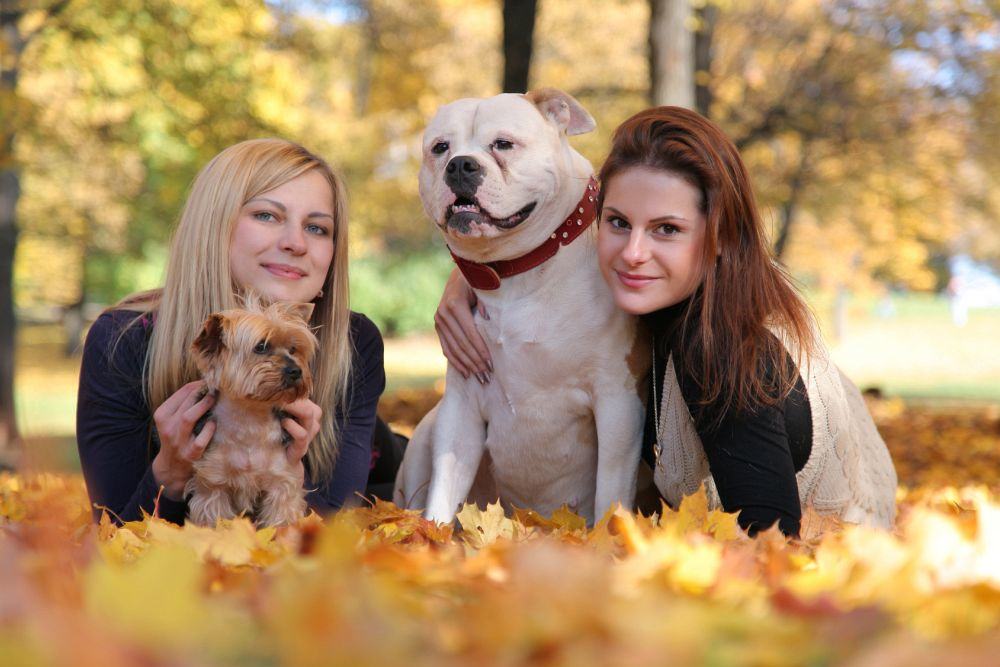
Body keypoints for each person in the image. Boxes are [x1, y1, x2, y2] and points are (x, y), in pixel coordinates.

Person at [434, 107, 897, 537]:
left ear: (718, 236)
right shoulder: (683, 300)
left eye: (667, 230)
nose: (633, 254)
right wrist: (468, 275)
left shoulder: (722, 355)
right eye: (617, 223)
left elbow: (770, 543)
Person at [77, 138, 386, 524]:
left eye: (317, 228)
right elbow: (116, 536)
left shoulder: (353, 342)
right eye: (267, 216)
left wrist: (289, 474)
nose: (295, 243)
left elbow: (334, 529)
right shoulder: (124, 339)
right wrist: (170, 474)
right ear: (213, 228)